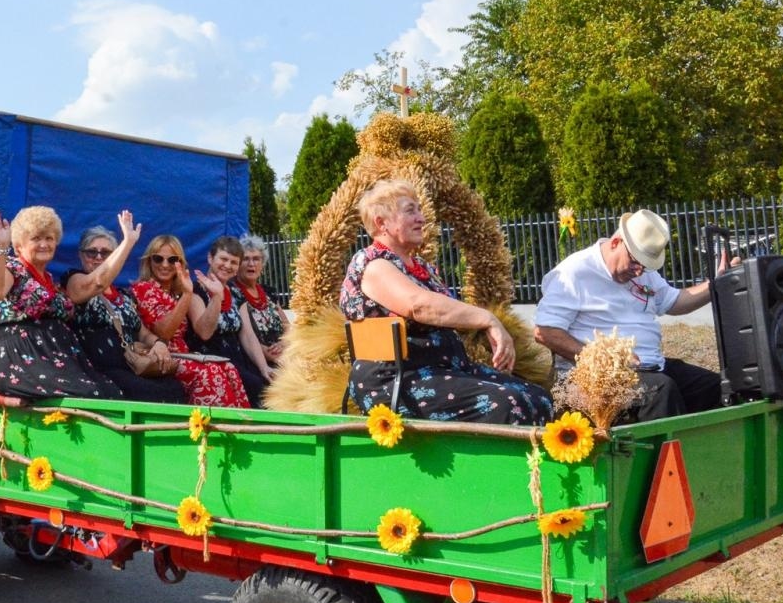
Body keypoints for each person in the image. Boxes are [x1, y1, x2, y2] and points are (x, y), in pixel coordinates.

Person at [339, 179, 553, 424]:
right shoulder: (373, 265)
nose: (421, 218)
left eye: (420, 209)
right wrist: (488, 320)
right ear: (381, 223)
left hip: (445, 371)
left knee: (539, 397)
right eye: (410, 211)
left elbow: (444, 311)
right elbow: (419, 305)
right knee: (510, 404)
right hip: (396, 378)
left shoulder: (422, 268)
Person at [534, 208, 731, 419]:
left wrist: (716, 284)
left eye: (645, 266)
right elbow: (544, 331)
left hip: (650, 367)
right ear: (616, 242)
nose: (639, 272)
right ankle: (671, 451)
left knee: (719, 387)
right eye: (635, 261)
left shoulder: (643, 272)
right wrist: (602, 357)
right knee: (662, 391)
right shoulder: (574, 272)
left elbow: (675, 302)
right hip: (596, 377)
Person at [0, 206, 116, 402]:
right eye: (36, 238)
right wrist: (1, 246)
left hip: (58, 356)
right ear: (19, 246)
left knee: (110, 392)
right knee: (89, 395)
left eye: (49, 238)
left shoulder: (50, 279)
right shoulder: (12, 268)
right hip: (21, 357)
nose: (44, 244)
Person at [64, 217, 186, 404]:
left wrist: (159, 343)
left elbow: (143, 332)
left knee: (175, 388)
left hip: (132, 364)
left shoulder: (124, 296)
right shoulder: (74, 280)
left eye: (106, 253)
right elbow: (97, 282)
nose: (98, 257)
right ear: (81, 256)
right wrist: (128, 242)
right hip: (100, 368)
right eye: (91, 252)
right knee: (147, 393)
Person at [130, 234, 251, 407]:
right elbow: (163, 332)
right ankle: (211, 427)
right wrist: (187, 294)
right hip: (160, 356)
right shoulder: (144, 288)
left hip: (183, 355)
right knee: (209, 372)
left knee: (229, 369)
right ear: (149, 261)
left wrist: (217, 297)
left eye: (172, 260)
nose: (165, 265)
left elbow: (205, 331)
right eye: (158, 259)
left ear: (179, 263)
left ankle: (240, 425)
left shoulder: (177, 291)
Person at [190, 236, 273, 406]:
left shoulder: (236, 292)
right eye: (223, 259)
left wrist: (264, 367)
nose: (227, 266)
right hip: (215, 365)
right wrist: (217, 297)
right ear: (210, 258)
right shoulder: (195, 290)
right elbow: (204, 333)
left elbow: (248, 335)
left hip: (239, 362)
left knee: (270, 382)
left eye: (234, 262)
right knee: (257, 388)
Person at [235, 235, 288, 365]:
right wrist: (267, 352)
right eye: (246, 259)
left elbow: (287, 325)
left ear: (262, 264)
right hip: (255, 358)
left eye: (256, 259)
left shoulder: (268, 292)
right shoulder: (234, 293)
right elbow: (242, 336)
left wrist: (283, 343)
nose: (251, 264)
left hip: (284, 352)